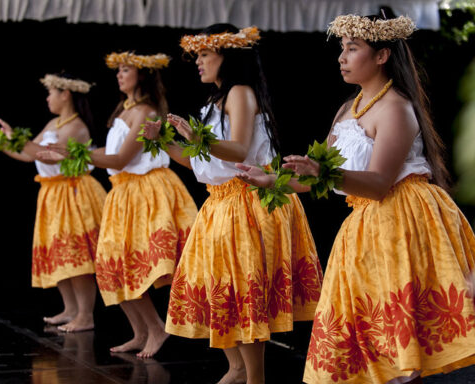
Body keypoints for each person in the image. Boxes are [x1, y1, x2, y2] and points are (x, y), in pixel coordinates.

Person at [237, 13, 475, 384]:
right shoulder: (348, 110)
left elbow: (379, 182)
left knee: (398, 334)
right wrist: (271, 180)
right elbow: (318, 177)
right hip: (365, 226)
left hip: (404, 220)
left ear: (381, 56)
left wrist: (323, 173)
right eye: (342, 50)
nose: (341, 58)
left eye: (352, 49)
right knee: (363, 333)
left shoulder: (396, 107)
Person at [143, 24, 323, 384]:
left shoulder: (240, 92)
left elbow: (238, 149)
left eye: (205, 54)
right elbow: (200, 162)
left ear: (228, 56)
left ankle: (255, 377)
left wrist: (198, 138)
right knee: (217, 288)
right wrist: (163, 142)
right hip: (220, 203)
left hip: (248, 201)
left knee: (243, 290)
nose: (198, 62)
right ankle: (237, 369)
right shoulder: (214, 101)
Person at [41, 51, 198, 358]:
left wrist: (74, 153)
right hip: (123, 193)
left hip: (145, 194)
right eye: (119, 70)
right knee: (112, 268)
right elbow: (111, 155)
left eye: (125, 70)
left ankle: (156, 329)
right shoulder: (125, 109)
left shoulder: (146, 112)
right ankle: (140, 332)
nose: (119, 75)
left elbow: (121, 159)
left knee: (131, 266)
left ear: (142, 75)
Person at [0, 73, 107, 332]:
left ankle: (85, 315)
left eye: (50, 93)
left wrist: (18, 139)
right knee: (59, 253)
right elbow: (29, 155)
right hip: (52, 196)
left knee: (76, 256)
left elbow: (47, 157)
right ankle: (70, 309)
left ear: (65, 94)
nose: (47, 98)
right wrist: (3, 145)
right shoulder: (53, 123)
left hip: (72, 194)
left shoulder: (76, 127)